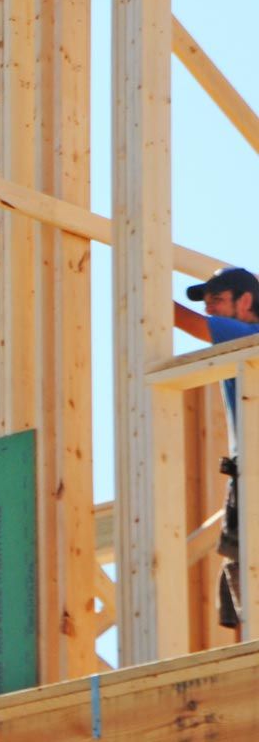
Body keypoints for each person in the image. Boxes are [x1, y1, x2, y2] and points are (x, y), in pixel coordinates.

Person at [173, 266, 259, 629]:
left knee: (245, 563)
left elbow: (179, 317)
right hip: (245, 467)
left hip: (252, 466)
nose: (210, 310)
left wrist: (139, 278)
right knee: (239, 564)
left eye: (217, 301)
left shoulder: (247, 334)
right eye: (206, 303)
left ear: (245, 302)